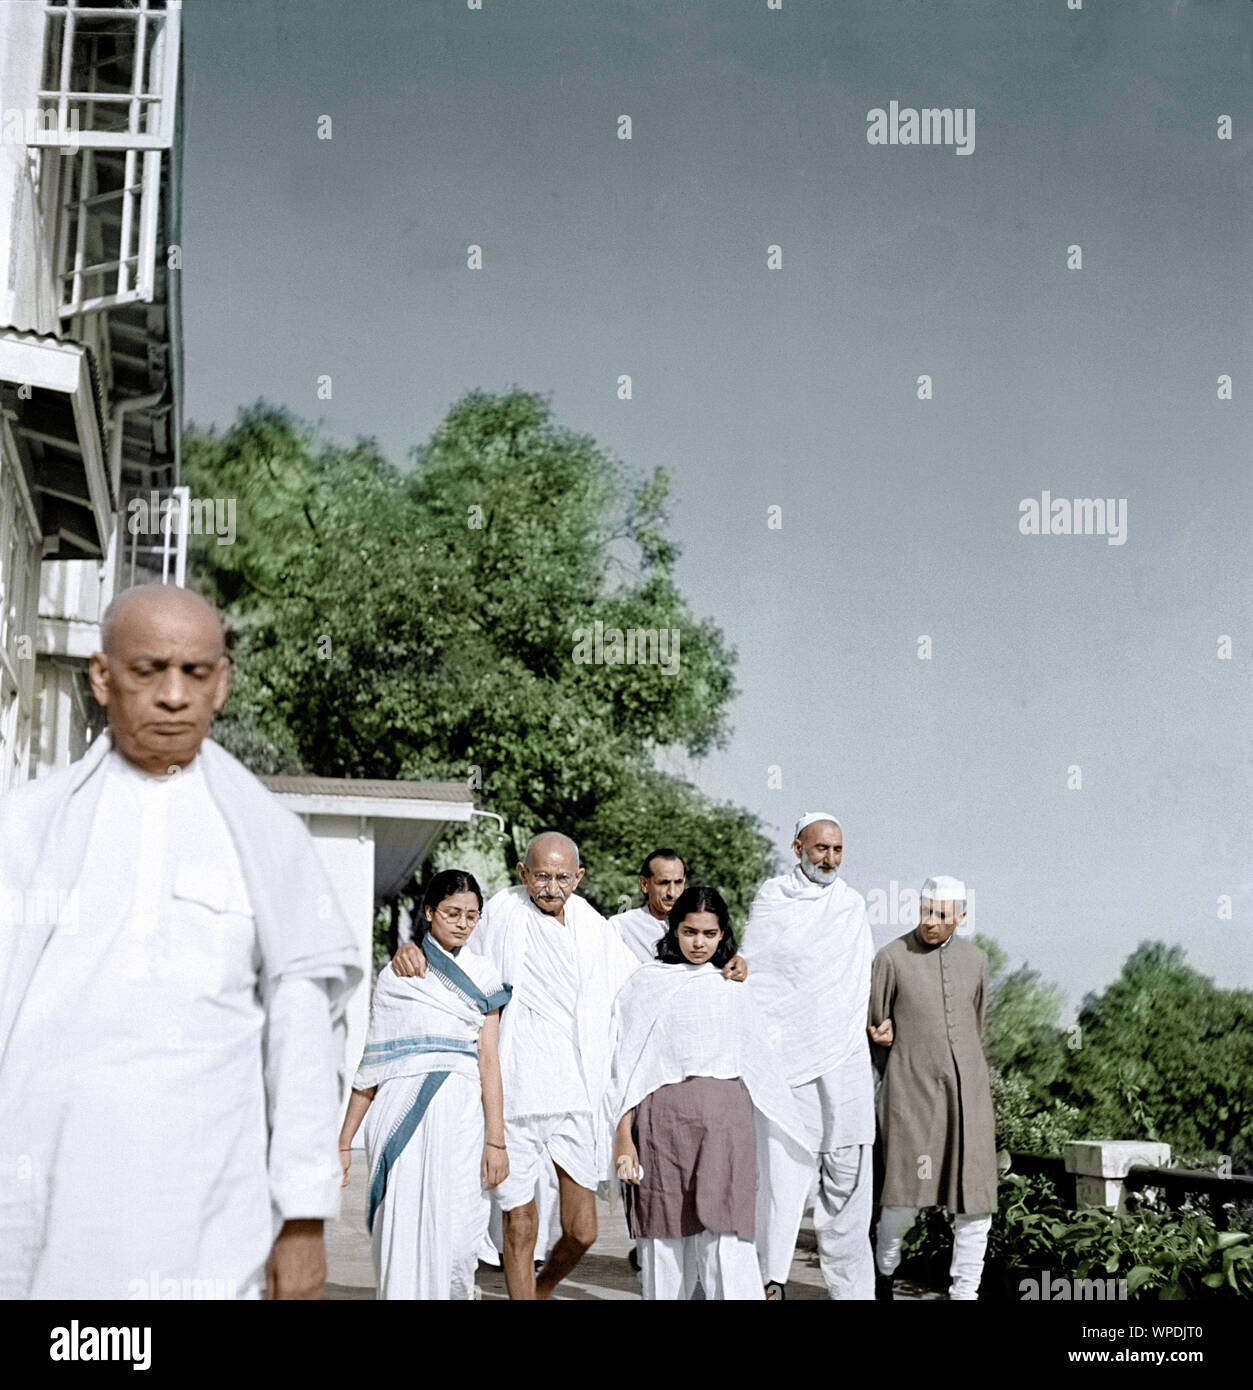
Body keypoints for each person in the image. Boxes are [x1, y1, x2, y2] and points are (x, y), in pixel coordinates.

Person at [0, 583, 360, 1300]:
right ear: (102, 677)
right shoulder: (24, 829)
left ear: (221, 683)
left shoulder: (267, 843)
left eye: (194, 673)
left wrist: (303, 1222)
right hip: (40, 1202)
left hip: (206, 1214)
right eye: (147, 670)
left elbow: (301, 1047)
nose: (173, 695)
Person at [391, 831, 748, 1299]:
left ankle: (539, 1291)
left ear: (578, 877)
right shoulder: (501, 910)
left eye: (562, 877)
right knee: (520, 1223)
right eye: (541, 876)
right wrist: (413, 948)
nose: (551, 887)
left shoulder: (592, 926)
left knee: (583, 1230)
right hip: (516, 1090)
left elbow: (639, 982)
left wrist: (728, 962)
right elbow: (455, 943)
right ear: (523, 873)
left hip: (575, 1093)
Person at [609, 886, 806, 1300]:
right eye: (689, 931)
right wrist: (623, 1138)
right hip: (662, 1128)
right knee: (663, 1247)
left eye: (709, 934)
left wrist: (744, 967)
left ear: (723, 935)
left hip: (726, 1129)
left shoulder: (734, 983)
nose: (699, 943)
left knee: (728, 1244)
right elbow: (624, 1068)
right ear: (673, 930)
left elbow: (789, 986)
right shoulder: (646, 984)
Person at [338, 870, 510, 1299]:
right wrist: (343, 1142)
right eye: (452, 913)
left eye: (472, 916)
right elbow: (373, 1063)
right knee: (402, 1232)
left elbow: (489, 1060)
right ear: (430, 912)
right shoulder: (399, 976)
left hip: (463, 1120)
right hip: (401, 1120)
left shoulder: (485, 976)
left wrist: (496, 1140)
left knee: (456, 1241)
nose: (462, 923)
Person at [740, 812, 876, 1300]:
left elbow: (860, 982)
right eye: (821, 849)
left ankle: (853, 1292)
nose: (830, 859)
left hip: (842, 1058)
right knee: (780, 1175)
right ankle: (768, 1281)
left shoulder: (852, 906)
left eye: (838, 851)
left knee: (849, 1179)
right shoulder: (773, 898)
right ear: (797, 848)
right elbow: (759, 973)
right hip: (787, 1061)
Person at [868, 876, 997, 1302]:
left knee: (975, 1203)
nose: (931, 922)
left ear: (961, 916)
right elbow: (873, 1025)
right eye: (925, 911)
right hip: (910, 1096)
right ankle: (883, 1275)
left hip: (969, 1099)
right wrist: (879, 1038)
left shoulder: (977, 961)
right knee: (903, 1200)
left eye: (941, 915)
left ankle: (966, 1294)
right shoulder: (890, 957)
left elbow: (978, 1028)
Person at [608, 848, 687, 963]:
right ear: (644, 884)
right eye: (664, 883)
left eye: (678, 882)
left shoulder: (703, 925)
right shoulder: (621, 927)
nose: (672, 893)